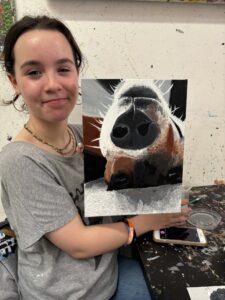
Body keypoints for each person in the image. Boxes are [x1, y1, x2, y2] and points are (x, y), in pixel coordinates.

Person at [0, 15, 191, 300]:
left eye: (63, 68)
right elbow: (78, 244)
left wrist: (165, 204)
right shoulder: (19, 161)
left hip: (107, 278)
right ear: (14, 81)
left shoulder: (81, 137)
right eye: (34, 72)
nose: (53, 84)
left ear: (77, 73)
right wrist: (148, 222)